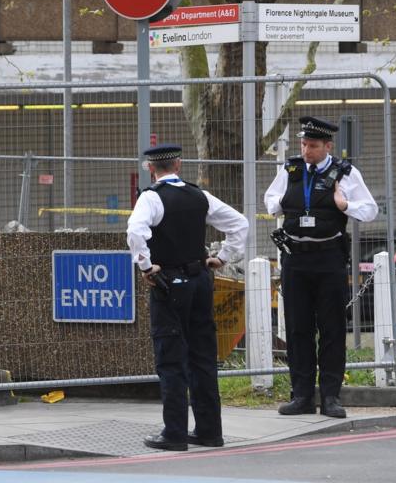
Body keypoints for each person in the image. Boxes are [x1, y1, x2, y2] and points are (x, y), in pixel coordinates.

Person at [126, 144, 248, 451]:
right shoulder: (200, 196)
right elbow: (240, 223)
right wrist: (223, 258)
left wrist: (145, 266)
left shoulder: (151, 198)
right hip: (200, 281)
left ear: (151, 168)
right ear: (178, 165)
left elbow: (135, 231)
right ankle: (209, 431)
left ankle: (175, 433)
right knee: (203, 356)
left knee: (171, 358)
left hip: (169, 283)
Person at [264, 116, 378, 418]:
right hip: (295, 259)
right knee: (298, 329)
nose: (306, 151)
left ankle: (330, 396)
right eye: (303, 144)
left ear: (328, 146)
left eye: (312, 146)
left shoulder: (346, 173)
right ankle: (301, 395)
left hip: (329, 259)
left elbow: (370, 210)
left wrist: (345, 206)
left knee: (331, 329)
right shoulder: (290, 169)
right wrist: (278, 204)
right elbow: (270, 198)